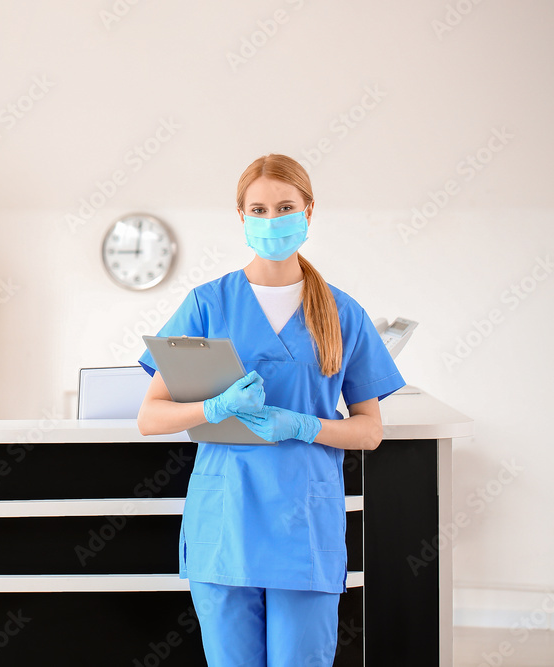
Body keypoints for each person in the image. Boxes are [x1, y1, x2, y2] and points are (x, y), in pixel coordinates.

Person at [136, 153, 405, 667]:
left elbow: (369, 431)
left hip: (302, 521)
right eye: (257, 209)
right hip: (225, 521)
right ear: (241, 217)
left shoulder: (342, 312)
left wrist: (304, 426)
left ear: (308, 211)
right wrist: (212, 408)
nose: (271, 219)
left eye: (284, 206)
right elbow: (151, 418)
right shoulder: (207, 304)